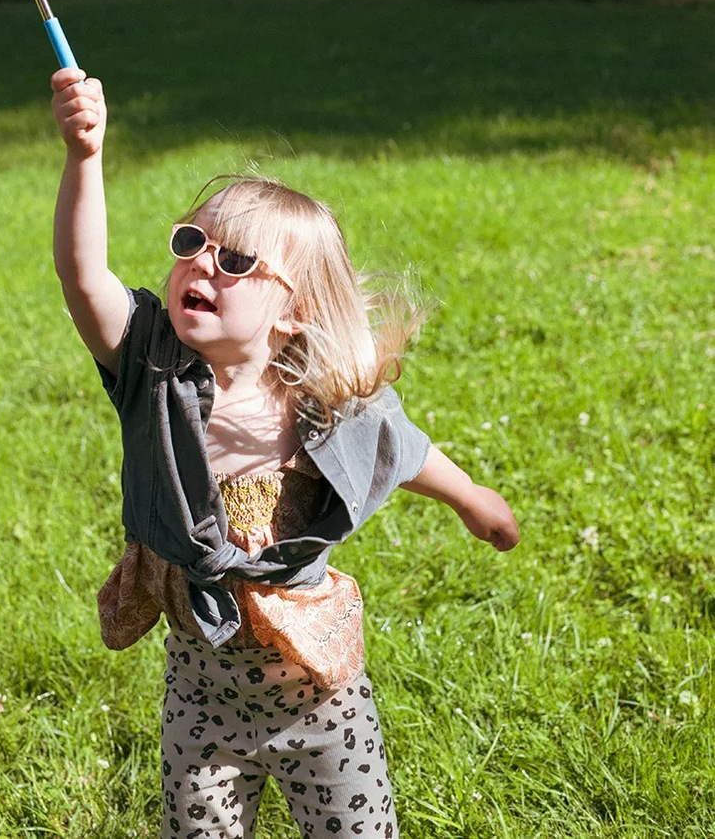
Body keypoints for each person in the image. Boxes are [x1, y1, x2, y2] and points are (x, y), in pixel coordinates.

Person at [50, 66, 519, 839]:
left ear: (294, 314)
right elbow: (80, 272)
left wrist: (471, 499)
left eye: (235, 261)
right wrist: (84, 153)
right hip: (201, 697)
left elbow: (402, 452)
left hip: (320, 697)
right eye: (192, 242)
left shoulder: (326, 402)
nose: (202, 263)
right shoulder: (151, 368)